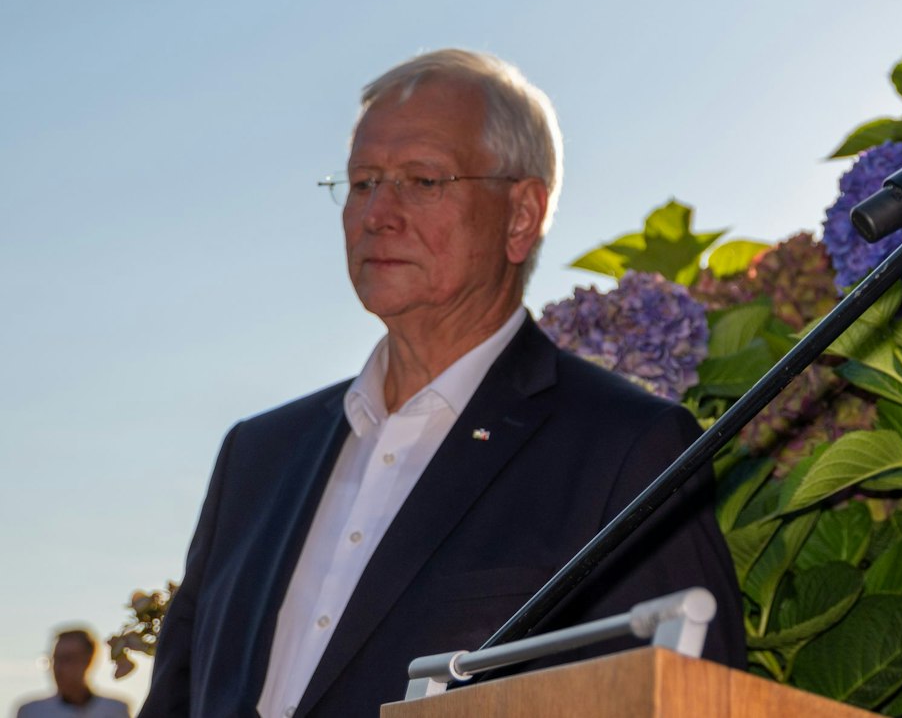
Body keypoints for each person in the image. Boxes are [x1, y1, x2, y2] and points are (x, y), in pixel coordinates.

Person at [141, 50, 743, 718]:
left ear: (521, 214)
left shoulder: (626, 452)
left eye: (422, 180)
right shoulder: (254, 457)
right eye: (363, 181)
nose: (377, 213)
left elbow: (695, 704)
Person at [16, 629, 130, 718]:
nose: (58, 668)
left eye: (67, 659)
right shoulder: (32, 712)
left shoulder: (115, 710)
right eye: (55, 659)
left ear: (88, 661)